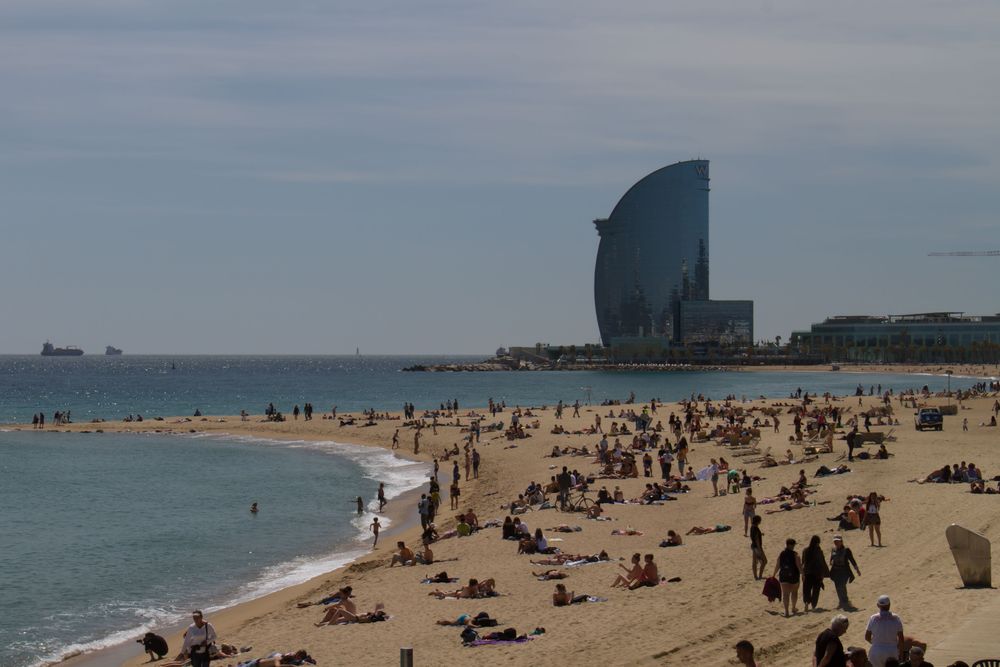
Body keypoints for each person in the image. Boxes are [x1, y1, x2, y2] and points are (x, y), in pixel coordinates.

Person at [866, 595, 904, 667]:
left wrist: (875, 643)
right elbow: (901, 640)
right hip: (892, 651)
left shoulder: (873, 618)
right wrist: (900, 655)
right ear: (889, 605)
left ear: (878, 605)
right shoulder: (896, 618)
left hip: (876, 651)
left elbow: (867, 637)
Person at [772, 538, 802, 617]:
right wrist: (803, 574)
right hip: (794, 577)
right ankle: (793, 608)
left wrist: (774, 574)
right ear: (791, 545)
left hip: (783, 576)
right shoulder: (795, 554)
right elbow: (799, 566)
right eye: (793, 545)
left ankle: (786, 611)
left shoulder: (782, 554)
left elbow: (777, 565)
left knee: (785, 594)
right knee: (794, 592)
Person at [829, 535, 861, 610]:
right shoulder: (833, 549)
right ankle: (841, 602)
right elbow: (831, 558)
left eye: (837, 541)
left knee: (842, 586)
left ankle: (846, 602)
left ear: (841, 541)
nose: (836, 542)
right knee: (837, 587)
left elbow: (852, 560)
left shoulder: (846, 550)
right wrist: (831, 561)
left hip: (844, 571)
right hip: (836, 571)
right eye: (835, 541)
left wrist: (857, 570)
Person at [802, 534, 830, 612]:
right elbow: (822, 563)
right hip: (817, 574)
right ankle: (813, 606)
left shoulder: (805, 550)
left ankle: (806, 603)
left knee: (806, 590)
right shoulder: (818, 551)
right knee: (816, 591)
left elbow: (803, 562)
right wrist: (824, 574)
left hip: (807, 573)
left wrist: (803, 573)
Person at [750, 516, 767, 580]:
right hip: (757, 547)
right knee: (764, 561)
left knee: (754, 562)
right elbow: (757, 540)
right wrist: (760, 550)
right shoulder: (756, 529)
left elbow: (754, 536)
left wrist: (760, 534)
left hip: (753, 546)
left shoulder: (752, 527)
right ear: (758, 521)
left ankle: (755, 576)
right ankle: (760, 576)